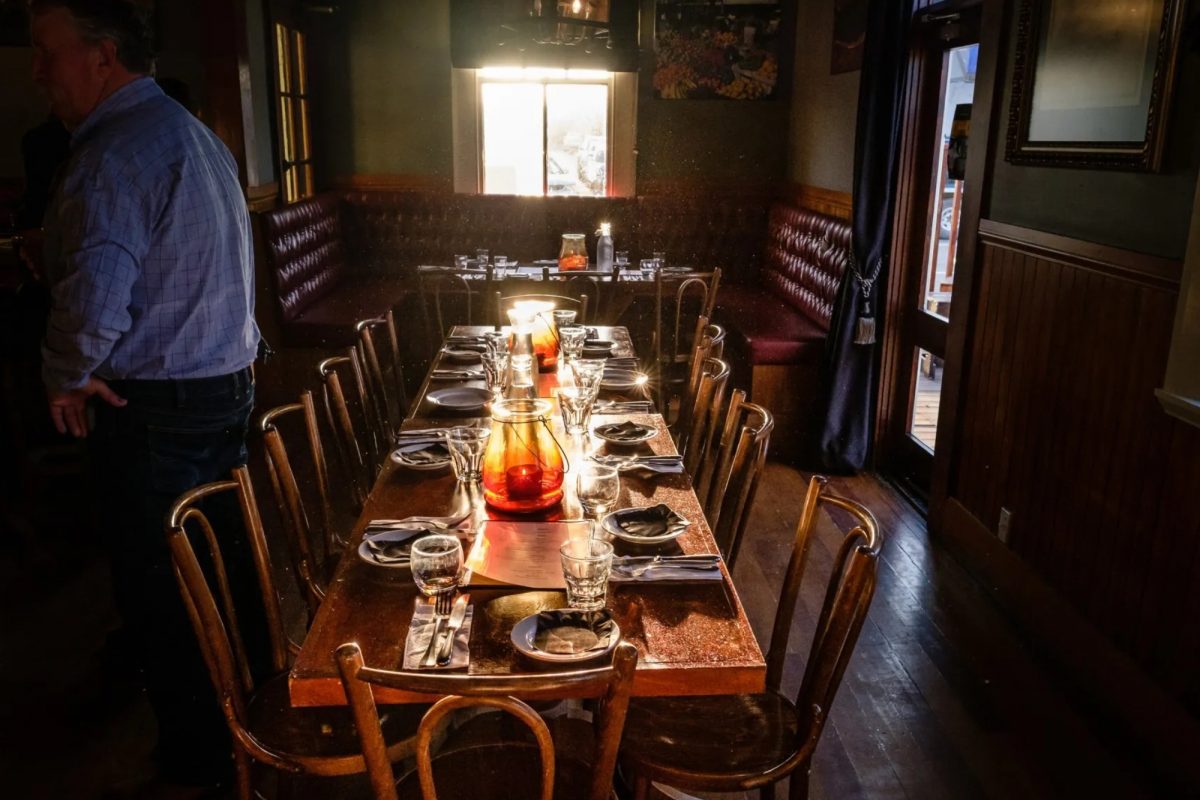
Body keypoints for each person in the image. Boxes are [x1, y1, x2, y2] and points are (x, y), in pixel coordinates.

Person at [30, 0, 263, 788]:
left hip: (155, 408)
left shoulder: (117, 154)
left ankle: (200, 758)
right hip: (225, 387)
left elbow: (94, 301)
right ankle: (255, 721)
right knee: (224, 567)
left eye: (47, 51)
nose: (39, 72)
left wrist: (65, 372)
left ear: (100, 56)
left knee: (163, 589)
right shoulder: (194, 136)